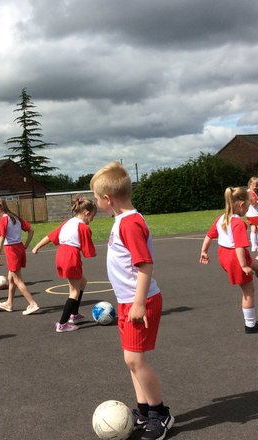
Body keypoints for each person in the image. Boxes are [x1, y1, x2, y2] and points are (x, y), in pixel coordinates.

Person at [90, 161, 173, 440]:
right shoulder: (122, 220)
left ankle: (160, 414)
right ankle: (144, 409)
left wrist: (138, 303)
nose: (94, 201)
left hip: (141, 302)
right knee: (131, 360)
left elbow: (145, 264)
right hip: (127, 301)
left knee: (136, 360)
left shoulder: (131, 223)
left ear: (107, 199)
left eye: (95, 197)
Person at [200, 187, 258, 334]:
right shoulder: (238, 223)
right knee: (248, 291)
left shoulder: (221, 218)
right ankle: (251, 324)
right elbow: (240, 247)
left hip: (225, 254)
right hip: (236, 257)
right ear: (241, 205)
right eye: (247, 206)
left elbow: (209, 236)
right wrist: (244, 266)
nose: (248, 209)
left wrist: (204, 251)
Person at [32, 196, 97, 332]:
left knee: (82, 282)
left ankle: (74, 314)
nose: (92, 219)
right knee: (74, 291)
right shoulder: (83, 228)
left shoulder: (67, 223)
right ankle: (62, 324)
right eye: (92, 216)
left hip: (61, 254)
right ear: (86, 212)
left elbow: (50, 237)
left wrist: (36, 247)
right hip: (71, 256)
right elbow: (89, 252)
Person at [0, 199, 41, 315]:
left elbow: (1, 238)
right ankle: (9, 303)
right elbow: (31, 230)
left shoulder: (3, 220)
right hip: (19, 248)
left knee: (18, 279)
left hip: (11, 250)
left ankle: (32, 304)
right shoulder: (15, 218)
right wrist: (26, 245)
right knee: (11, 278)